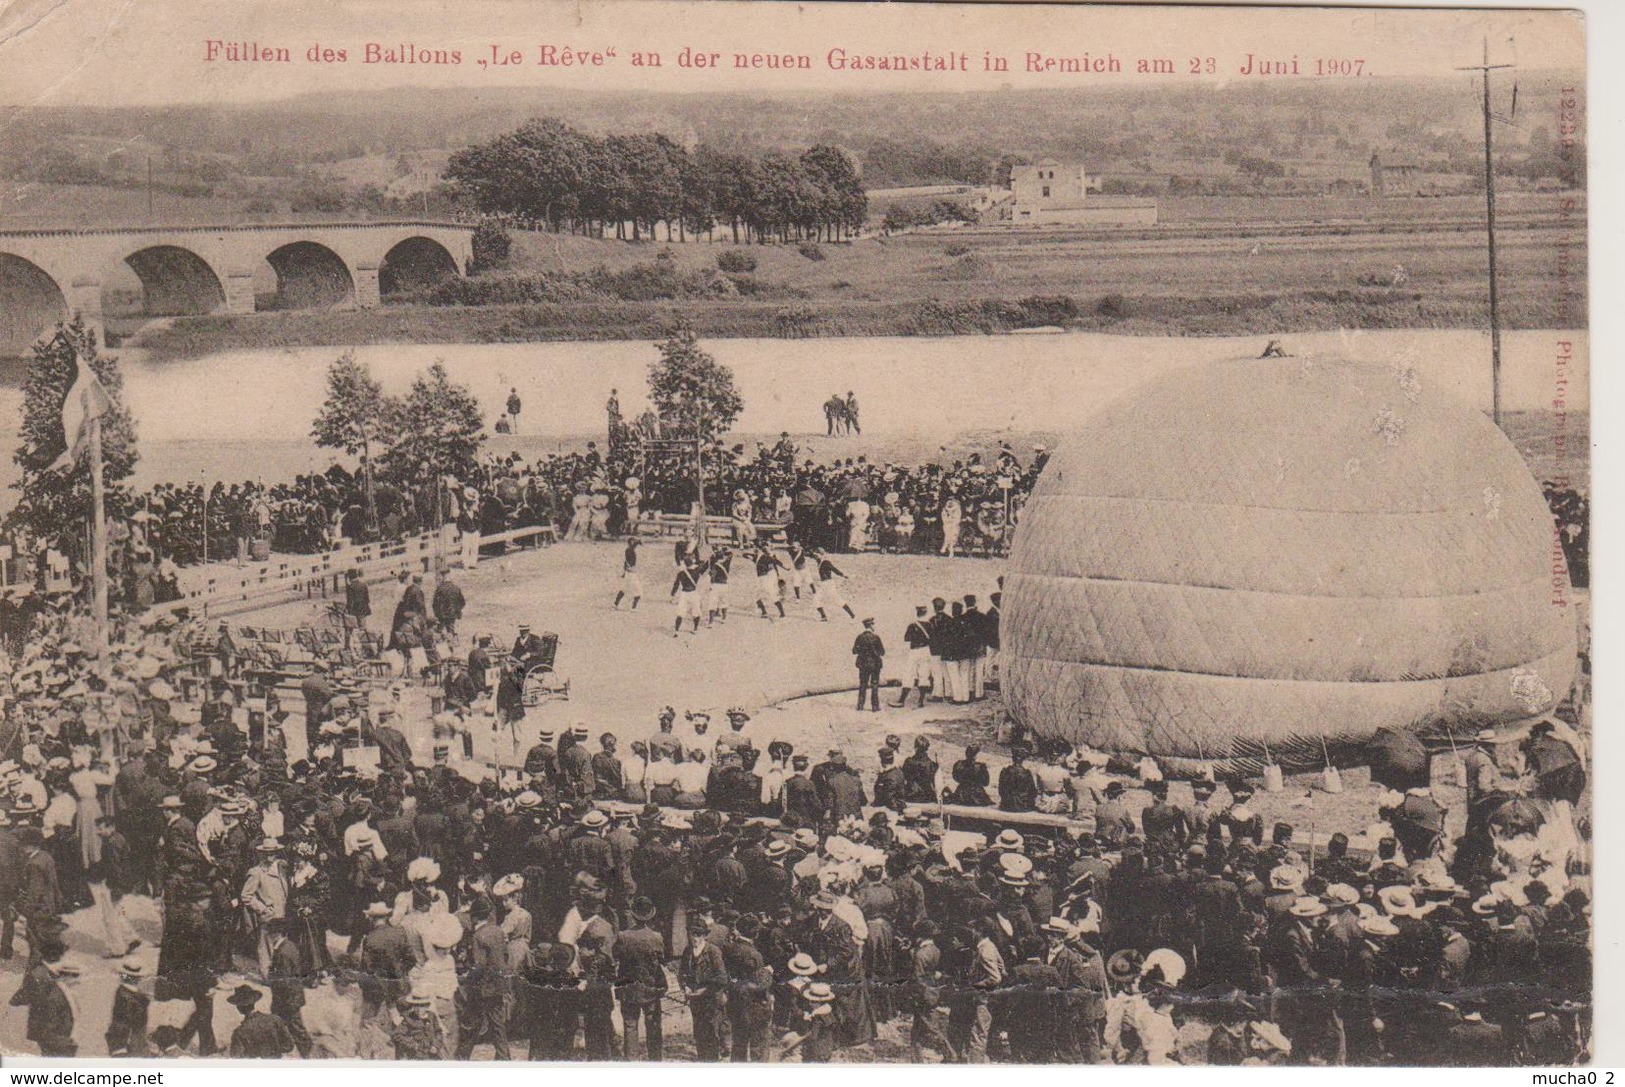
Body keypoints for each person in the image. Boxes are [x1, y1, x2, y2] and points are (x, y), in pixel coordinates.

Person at [227, 984, 295, 1058]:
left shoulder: (239, 1032)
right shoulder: (274, 1019)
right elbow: (289, 1046)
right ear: (254, 1002)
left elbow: (236, 1058)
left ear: (238, 1008)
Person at [895, 605, 934, 707]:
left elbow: (907, 638)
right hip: (926, 651)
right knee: (924, 675)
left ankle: (901, 701)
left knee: (909, 674)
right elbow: (932, 639)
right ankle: (920, 701)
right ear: (925, 613)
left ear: (917, 613)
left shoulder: (913, 626)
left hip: (915, 651)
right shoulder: (930, 625)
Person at [853, 618, 885, 712]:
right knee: (874, 684)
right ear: (871, 625)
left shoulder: (859, 637)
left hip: (863, 664)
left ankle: (860, 705)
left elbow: (854, 651)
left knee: (863, 684)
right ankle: (875, 707)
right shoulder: (876, 637)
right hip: (875, 664)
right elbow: (882, 652)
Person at [613, 537, 644, 610]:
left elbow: (625, 563)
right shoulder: (630, 550)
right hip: (631, 574)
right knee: (638, 592)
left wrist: (624, 572)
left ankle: (616, 604)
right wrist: (638, 542)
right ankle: (633, 608)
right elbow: (633, 546)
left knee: (624, 589)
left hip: (628, 573)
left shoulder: (628, 550)